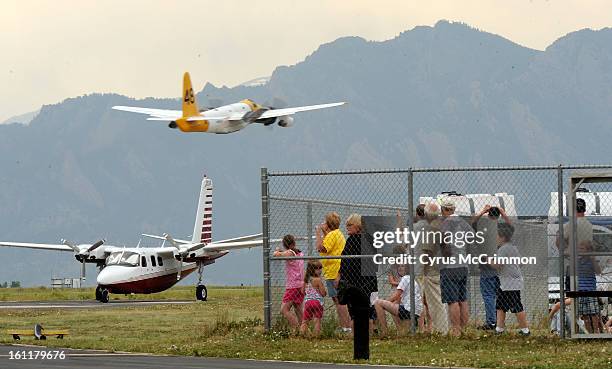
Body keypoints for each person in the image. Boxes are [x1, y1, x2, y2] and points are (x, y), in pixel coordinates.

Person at [471, 204, 512, 330]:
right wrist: (503, 213)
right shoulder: (502, 229)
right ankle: (499, 322)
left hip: (486, 264)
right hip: (500, 264)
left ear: (488, 215)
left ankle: (491, 322)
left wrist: (482, 211)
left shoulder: (483, 227)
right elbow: (511, 224)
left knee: (488, 295)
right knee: (498, 294)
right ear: (498, 215)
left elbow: (472, 222)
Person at [337, 214, 378, 331]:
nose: (347, 227)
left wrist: (340, 276)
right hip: (370, 282)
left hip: (355, 282)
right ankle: (370, 334)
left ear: (358, 225)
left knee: (355, 313)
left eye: (350, 225)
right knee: (369, 310)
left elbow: (345, 262)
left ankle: (355, 336)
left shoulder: (352, 240)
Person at [439, 199, 472, 336]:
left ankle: (456, 330)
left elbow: (442, 240)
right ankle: (465, 329)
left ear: (444, 210)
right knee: (462, 299)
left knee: (452, 301)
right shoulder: (462, 222)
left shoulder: (446, 223)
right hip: (463, 264)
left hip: (449, 266)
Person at [491, 223, 530, 336]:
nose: (496, 238)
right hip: (507, 282)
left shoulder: (503, 249)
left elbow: (498, 265)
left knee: (516, 306)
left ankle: (525, 330)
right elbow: (521, 263)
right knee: (500, 305)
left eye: (497, 235)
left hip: (510, 283)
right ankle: (499, 328)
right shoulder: (513, 248)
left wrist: (489, 261)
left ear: (502, 237)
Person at [316, 212, 350, 332]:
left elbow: (321, 247)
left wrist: (318, 232)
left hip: (333, 272)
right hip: (336, 270)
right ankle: (345, 326)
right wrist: (325, 233)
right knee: (339, 300)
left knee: (339, 301)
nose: (323, 224)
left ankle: (346, 326)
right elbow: (329, 244)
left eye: (325, 222)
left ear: (329, 223)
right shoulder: (337, 234)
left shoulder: (332, 235)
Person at [420, 202, 449, 334]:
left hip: (431, 270)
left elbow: (427, 252)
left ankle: (441, 330)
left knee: (435, 302)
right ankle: (441, 328)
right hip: (441, 267)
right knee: (440, 301)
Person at [374, 264, 423, 337]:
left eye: (402, 266)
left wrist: (385, 303)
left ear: (407, 269)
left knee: (378, 302)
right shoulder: (411, 279)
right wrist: (389, 305)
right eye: (399, 266)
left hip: (409, 310)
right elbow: (397, 299)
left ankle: (385, 332)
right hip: (414, 312)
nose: (400, 268)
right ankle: (400, 330)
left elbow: (396, 295)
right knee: (395, 305)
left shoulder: (405, 278)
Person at [273, 234, 305, 330]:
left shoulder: (290, 253)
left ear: (284, 244)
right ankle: (304, 329)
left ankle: (296, 328)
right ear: (294, 243)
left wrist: (277, 250)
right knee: (298, 309)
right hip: (300, 285)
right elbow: (287, 254)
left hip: (293, 286)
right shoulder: (299, 253)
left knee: (284, 310)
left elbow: (277, 255)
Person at [576, 239, 602, 333]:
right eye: (579, 248)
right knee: (585, 314)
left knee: (593, 313)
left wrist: (593, 259)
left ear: (588, 250)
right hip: (581, 291)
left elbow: (598, 271)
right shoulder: (578, 261)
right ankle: (589, 332)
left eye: (582, 249)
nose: (579, 250)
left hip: (590, 290)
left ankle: (596, 331)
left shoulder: (591, 261)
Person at [300, 260, 326, 337]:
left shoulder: (306, 280)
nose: (320, 270)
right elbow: (323, 293)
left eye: (320, 268)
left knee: (305, 321)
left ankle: (301, 334)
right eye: (317, 269)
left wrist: (308, 293)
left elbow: (302, 291)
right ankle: (316, 335)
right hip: (317, 303)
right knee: (317, 320)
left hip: (308, 303)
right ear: (312, 270)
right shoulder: (318, 280)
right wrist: (324, 292)